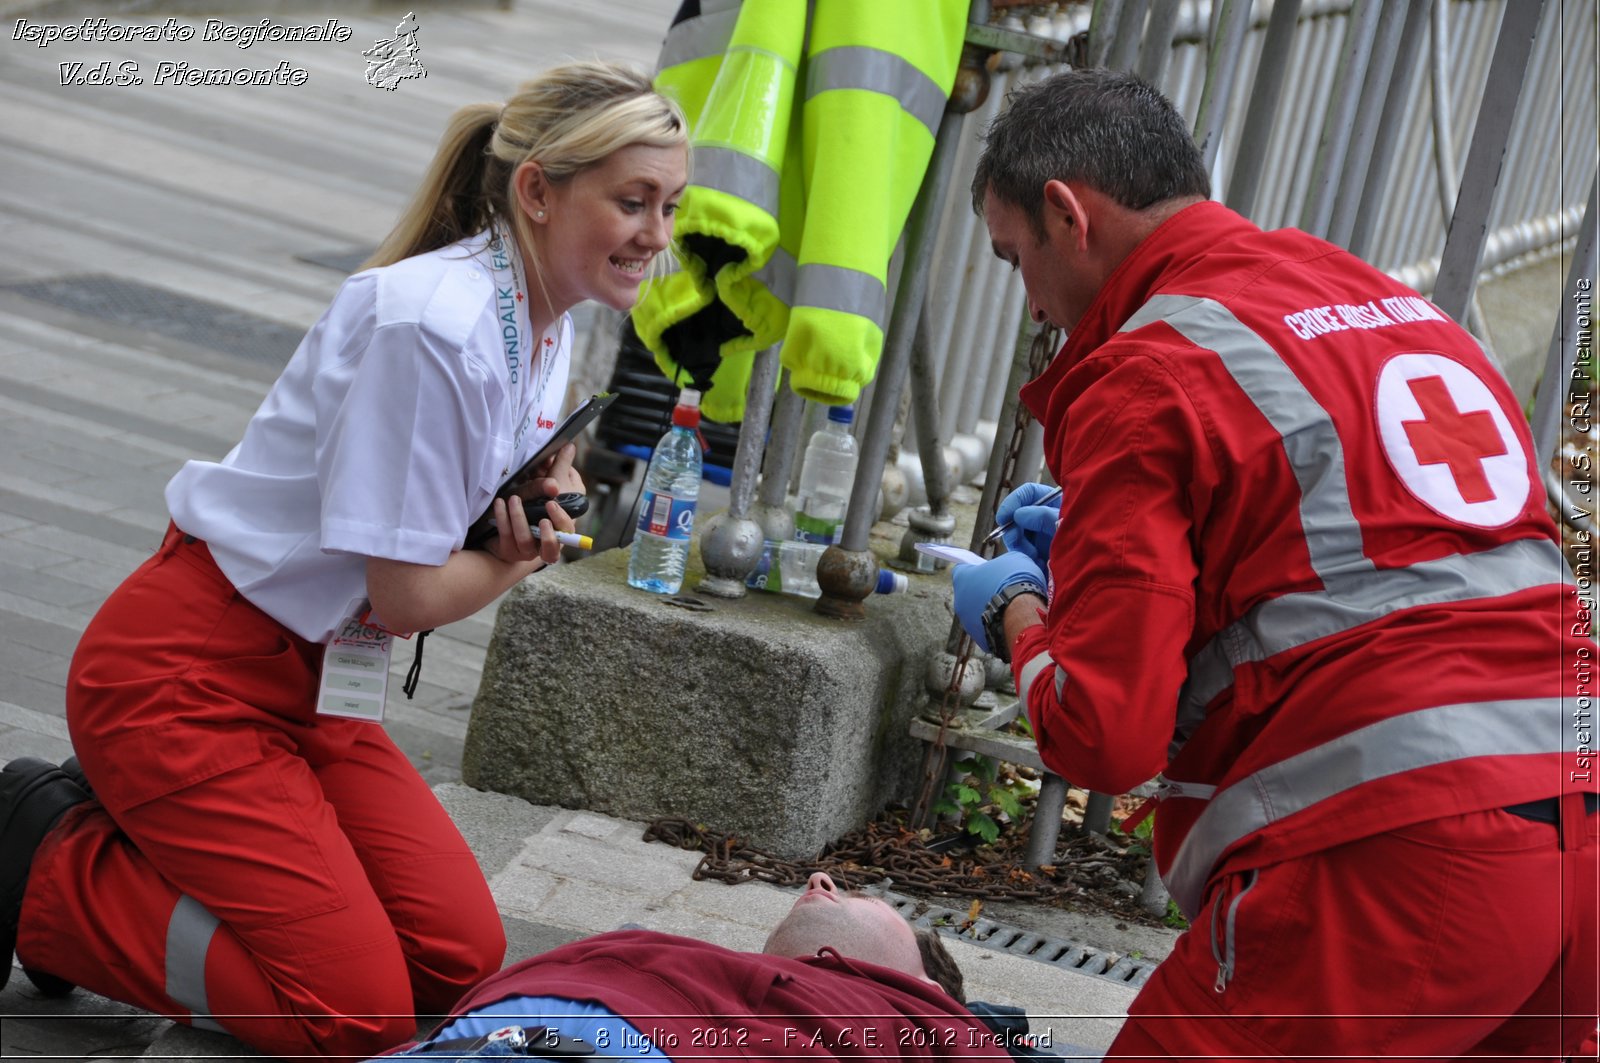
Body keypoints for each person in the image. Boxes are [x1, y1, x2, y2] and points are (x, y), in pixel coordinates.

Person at [0, 61, 688, 1059]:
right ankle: (45, 866)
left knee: (457, 961)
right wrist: (518, 558)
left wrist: (551, 485)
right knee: (350, 1015)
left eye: (668, 205)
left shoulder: (544, 311)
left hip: (319, 684)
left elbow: (541, 446)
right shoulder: (435, 324)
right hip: (186, 679)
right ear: (537, 191)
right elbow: (406, 597)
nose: (657, 235)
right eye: (632, 202)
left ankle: (169, 840)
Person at [951, 68, 1598, 1060]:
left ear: (1065, 213)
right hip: (1573, 818)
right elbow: (1354, 555)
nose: (1034, 307)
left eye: (1013, 260)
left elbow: (1105, 732)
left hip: (1396, 853)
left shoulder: (1144, 370)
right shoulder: (1377, 300)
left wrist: (1020, 612)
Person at [379, 872, 1049, 1061]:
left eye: (857, 895)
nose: (821, 878)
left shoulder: (935, 1032)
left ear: (929, 986)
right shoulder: (670, 952)